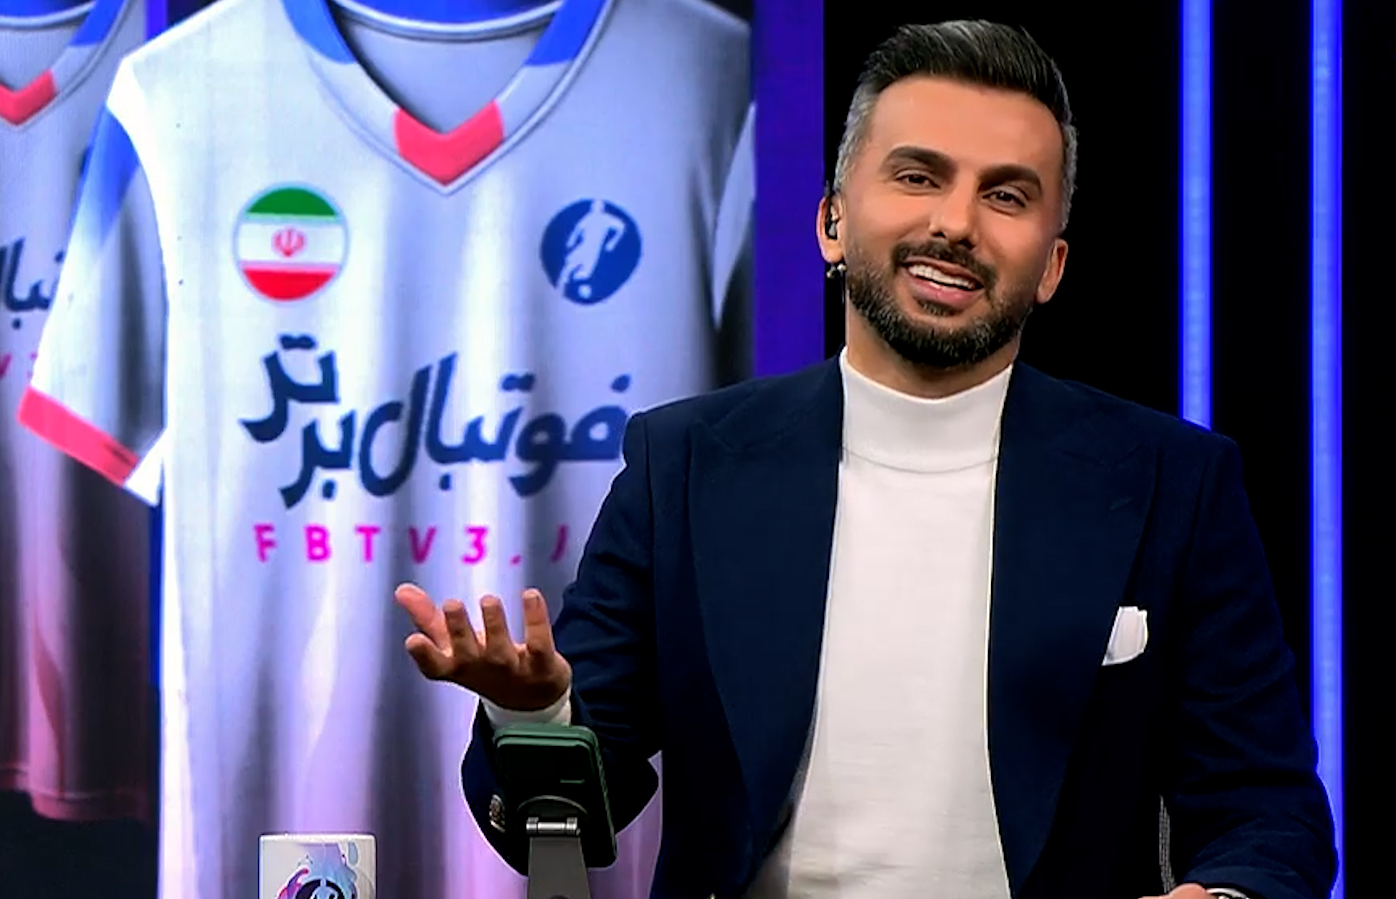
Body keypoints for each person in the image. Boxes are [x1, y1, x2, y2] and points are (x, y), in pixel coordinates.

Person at [395, 19, 1337, 899]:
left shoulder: (1172, 482)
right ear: (832, 221)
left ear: (1051, 265)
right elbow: (569, 818)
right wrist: (537, 717)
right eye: (919, 176)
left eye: (1006, 195)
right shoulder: (683, 464)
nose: (956, 223)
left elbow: (1270, 810)